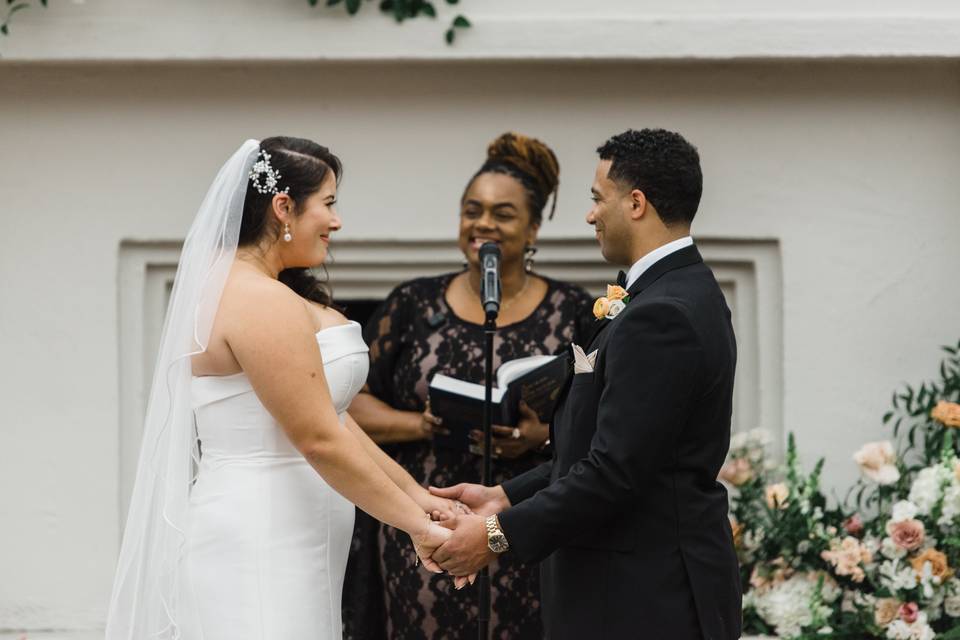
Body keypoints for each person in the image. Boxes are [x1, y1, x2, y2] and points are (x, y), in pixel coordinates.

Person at [105, 137, 458, 640]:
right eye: (329, 204)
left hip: (281, 531)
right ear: (283, 207)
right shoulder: (259, 301)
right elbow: (318, 438)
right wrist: (419, 529)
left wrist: (418, 498)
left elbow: (334, 418)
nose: (336, 222)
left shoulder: (240, 288)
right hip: (263, 535)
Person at [431, 128, 743, 640]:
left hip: (642, 599)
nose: (590, 213)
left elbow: (615, 473)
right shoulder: (671, 292)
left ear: (636, 203)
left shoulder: (663, 313)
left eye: (598, 198)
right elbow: (618, 451)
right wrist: (505, 496)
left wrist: (494, 536)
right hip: (627, 589)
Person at [346, 132, 595, 639]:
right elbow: (347, 408)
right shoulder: (413, 304)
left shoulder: (574, 312)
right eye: (471, 210)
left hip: (526, 529)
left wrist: (540, 436)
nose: (483, 223)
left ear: (533, 228)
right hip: (425, 529)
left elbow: (602, 427)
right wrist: (423, 424)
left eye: (502, 213)